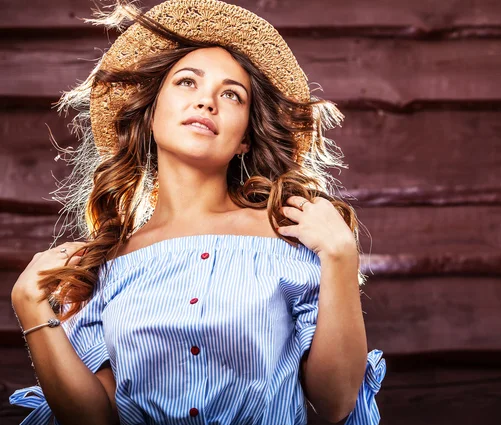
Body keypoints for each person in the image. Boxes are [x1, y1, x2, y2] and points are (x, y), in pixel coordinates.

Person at [9, 0, 387, 424]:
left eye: (231, 94)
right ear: (150, 115)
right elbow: (94, 419)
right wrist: (30, 307)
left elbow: (334, 404)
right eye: (187, 82)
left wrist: (339, 254)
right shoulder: (104, 265)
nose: (207, 101)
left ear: (245, 138)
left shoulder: (291, 234)